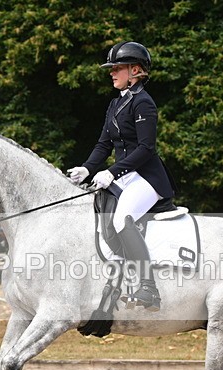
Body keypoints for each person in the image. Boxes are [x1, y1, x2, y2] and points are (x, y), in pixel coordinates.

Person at [67, 41, 175, 312]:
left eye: (117, 68)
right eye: (111, 68)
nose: (112, 73)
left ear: (135, 70)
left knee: (121, 219)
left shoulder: (144, 104)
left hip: (147, 179)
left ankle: (149, 288)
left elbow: (146, 148)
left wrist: (112, 171)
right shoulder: (115, 104)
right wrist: (87, 168)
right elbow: (104, 144)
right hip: (125, 178)